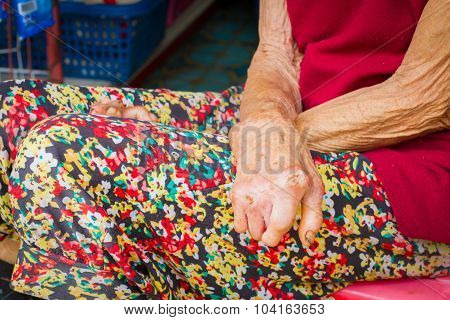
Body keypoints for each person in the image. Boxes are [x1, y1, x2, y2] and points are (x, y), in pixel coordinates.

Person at [0, 0, 448, 299]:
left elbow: (427, 95)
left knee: (62, 152)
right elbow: (276, 53)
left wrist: (249, 147)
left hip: (407, 158)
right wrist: (261, 127)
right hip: (293, 113)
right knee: (14, 113)